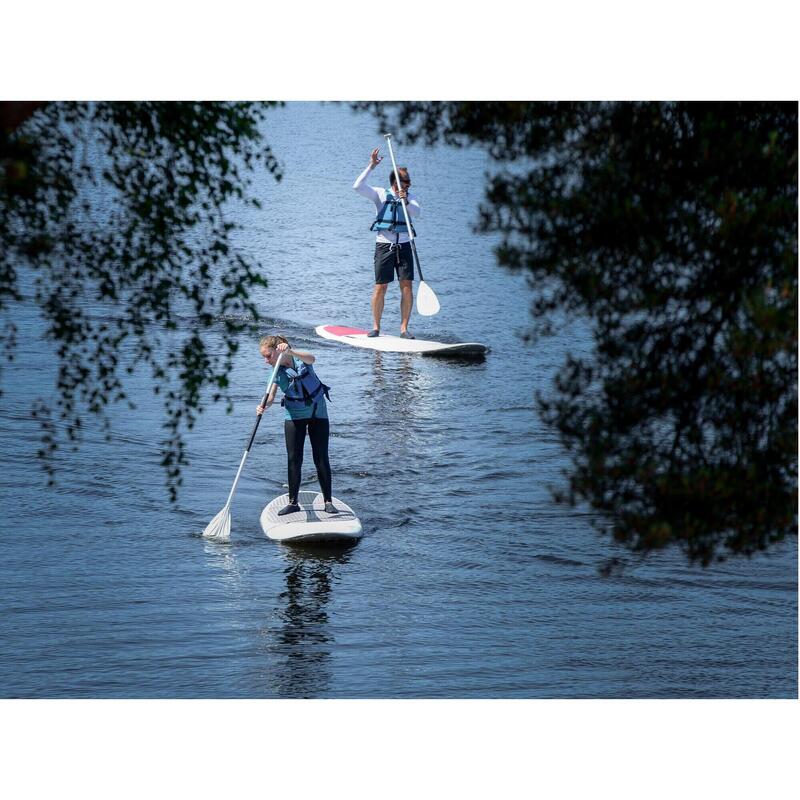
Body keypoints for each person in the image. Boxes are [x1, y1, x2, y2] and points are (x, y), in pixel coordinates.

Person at [256, 335, 338, 516]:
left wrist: (290, 351)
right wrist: (264, 406)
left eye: (268, 356)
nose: (265, 361)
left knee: (321, 457)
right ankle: (293, 502)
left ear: (278, 350)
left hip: (318, 412)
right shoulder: (275, 373)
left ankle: (328, 501)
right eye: (264, 357)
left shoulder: (300, 358)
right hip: (294, 415)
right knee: (294, 459)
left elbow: (312, 358)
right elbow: (270, 396)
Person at [353, 146, 421, 339]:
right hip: (384, 245)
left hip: (405, 245)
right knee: (380, 286)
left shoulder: (410, 198)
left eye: (409, 182)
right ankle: (375, 327)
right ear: (396, 182)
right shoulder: (379, 194)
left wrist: (406, 201)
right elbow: (357, 186)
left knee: (406, 286)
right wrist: (371, 166)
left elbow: (417, 213)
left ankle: (404, 329)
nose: (409, 185)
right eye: (406, 182)